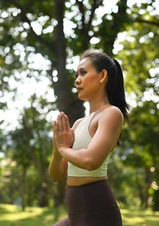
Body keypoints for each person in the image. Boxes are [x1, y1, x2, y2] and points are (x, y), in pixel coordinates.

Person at [49, 49, 129, 226]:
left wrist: (64, 149)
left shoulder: (111, 113)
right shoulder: (78, 124)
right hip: (75, 216)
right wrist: (56, 152)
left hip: (99, 216)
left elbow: (91, 160)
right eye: (76, 74)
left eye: (83, 73)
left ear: (102, 76)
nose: (77, 80)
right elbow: (57, 175)